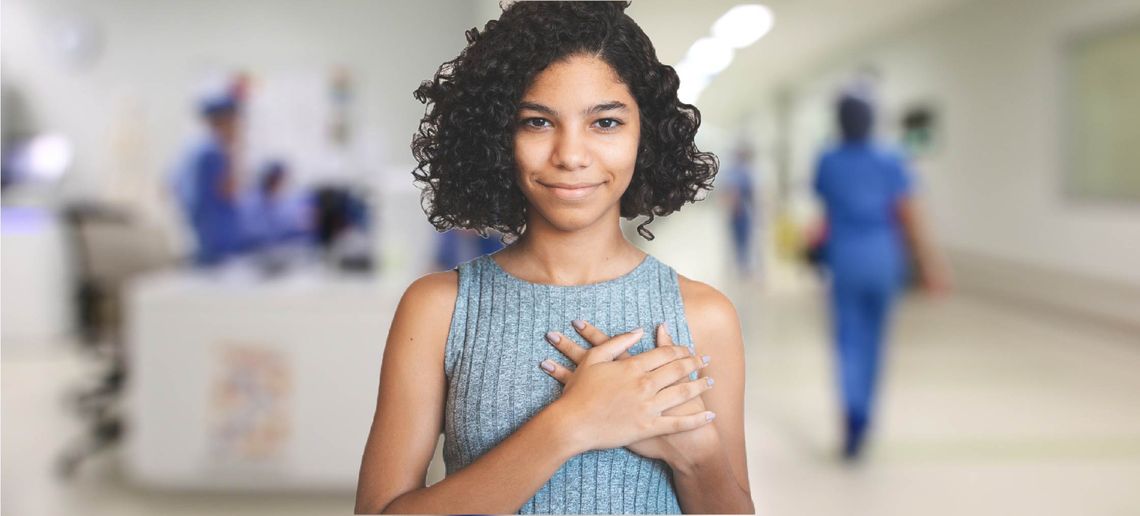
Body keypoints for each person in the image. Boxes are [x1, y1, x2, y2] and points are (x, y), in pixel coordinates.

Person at [356, 3, 753, 514]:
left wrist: (698, 457)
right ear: (497, 135)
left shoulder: (704, 315)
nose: (571, 155)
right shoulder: (439, 309)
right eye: (538, 122)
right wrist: (572, 424)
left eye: (605, 122)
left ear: (646, 134)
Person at [813, 92, 949, 461]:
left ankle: (852, 412)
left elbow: (825, 212)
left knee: (847, 340)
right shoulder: (891, 160)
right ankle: (866, 414)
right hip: (883, 258)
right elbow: (910, 215)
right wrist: (931, 265)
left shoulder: (828, 160)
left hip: (845, 259)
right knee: (874, 340)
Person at [171, 94, 244, 266]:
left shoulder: (191, 149)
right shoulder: (213, 152)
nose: (238, 128)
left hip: (198, 240)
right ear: (225, 120)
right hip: (217, 246)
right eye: (235, 122)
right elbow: (229, 191)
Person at [239, 160, 312, 251]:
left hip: (287, 249)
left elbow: (302, 228)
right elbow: (250, 231)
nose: (277, 182)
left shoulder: (293, 201)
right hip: (256, 250)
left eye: (280, 179)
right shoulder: (252, 201)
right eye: (273, 178)